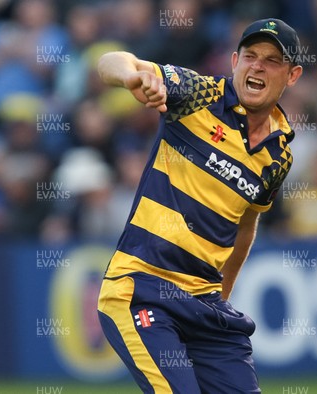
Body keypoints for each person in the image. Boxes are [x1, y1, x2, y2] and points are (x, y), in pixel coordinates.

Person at [96, 19, 303, 393]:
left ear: (292, 76)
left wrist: (221, 297)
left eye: (272, 61)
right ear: (235, 60)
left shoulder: (280, 155)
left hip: (205, 304)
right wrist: (132, 78)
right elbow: (110, 60)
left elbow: (246, 225)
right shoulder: (199, 93)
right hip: (141, 287)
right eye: (251, 56)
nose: (258, 66)